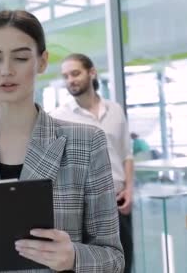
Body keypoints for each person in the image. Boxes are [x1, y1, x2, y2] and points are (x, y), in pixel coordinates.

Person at [0, 10, 124, 273]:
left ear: (42, 62)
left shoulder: (87, 143)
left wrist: (73, 257)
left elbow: (113, 258)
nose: (6, 71)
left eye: (20, 58)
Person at [50, 53, 134, 273]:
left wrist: (130, 189)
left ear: (92, 72)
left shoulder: (115, 110)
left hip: (118, 202)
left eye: (75, 73)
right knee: (92, 266)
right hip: (85, 206)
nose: (70, 80)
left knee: (124, 264)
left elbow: (126, 154)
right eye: (66, 76)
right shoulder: (59, 117)